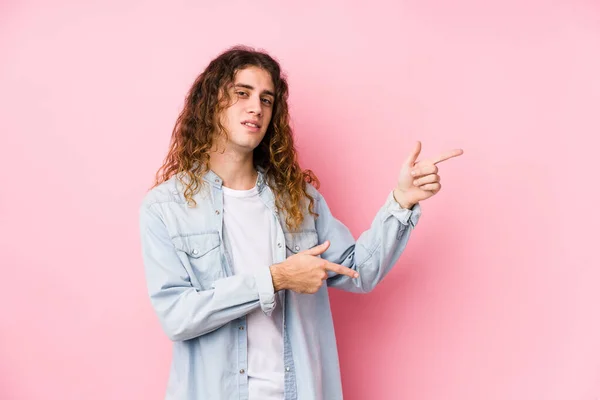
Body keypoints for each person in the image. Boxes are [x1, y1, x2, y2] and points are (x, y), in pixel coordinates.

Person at [139, 45, 463, 400]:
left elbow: (360, 271)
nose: (255, 108)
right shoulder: (165, 207)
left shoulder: (296, 198)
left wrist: (402, 202)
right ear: (210, 104)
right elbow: (177, 316)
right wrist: (276, 278)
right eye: (241, 93)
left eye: (267, 99)